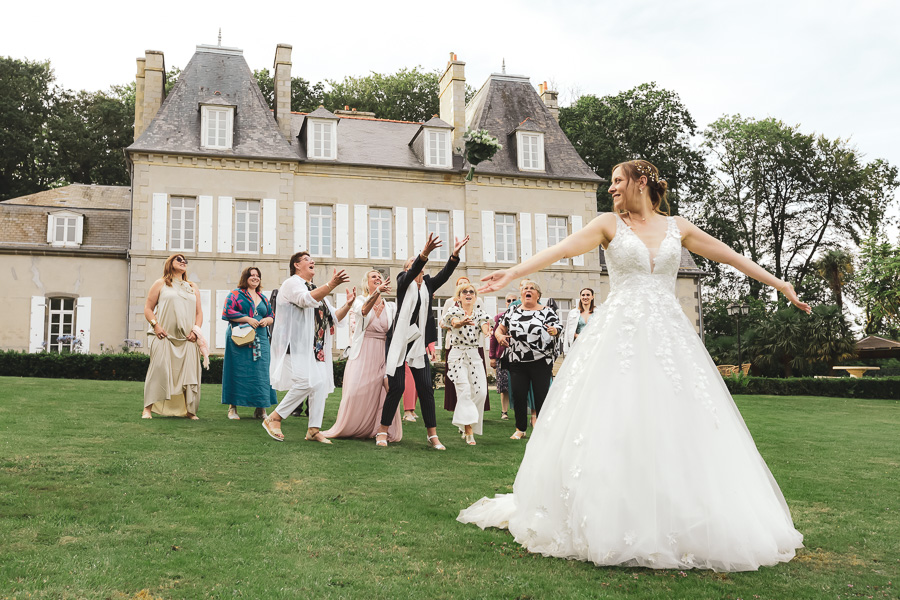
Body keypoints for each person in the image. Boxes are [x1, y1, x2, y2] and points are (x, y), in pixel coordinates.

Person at [458, 159, 808, 571]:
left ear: (641, 182)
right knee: (615, 416)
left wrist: (779, 283)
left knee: (680, 419)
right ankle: (611, 510)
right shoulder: (609, 224)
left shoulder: (679, 227)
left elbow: (732, 257)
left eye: (618, 181)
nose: (611, 189)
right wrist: (514, 272)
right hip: (618, 335)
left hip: (670, 337)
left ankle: (682, 513)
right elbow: (563, 248)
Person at [376, 233, 470, 449]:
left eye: (420, 264)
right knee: (397, 387)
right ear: (409, 268)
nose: (419, 267)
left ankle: (432, 435)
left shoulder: (427, 286)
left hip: (417, 343)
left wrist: (455, 254)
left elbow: (445, 275)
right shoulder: (403, 281)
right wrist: (424, 253)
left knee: (426, 388)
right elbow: (413, 269)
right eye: (414, 264)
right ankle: (382, 431)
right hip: (399, 341)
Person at [262, 252, 354, 443]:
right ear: (296, 265)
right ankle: (275, 417)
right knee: (306, 382)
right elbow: (305, 300)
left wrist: (348, 304)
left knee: (319, 385)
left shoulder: (315, 288)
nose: (312, 261)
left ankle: (313, 429)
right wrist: (332, 285)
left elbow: (334, 318)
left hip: (316, 348)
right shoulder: (291, 284)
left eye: (312, 259)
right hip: (295, 346)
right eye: (306, 259)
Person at [322, 270, 403, 443]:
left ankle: (381, 428)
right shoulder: (359, 300)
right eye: (373, 277)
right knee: (354, 392)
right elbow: (364, 311)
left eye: (379, 277)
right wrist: (377, 292)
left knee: (385, 391)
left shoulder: (390, 306)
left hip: (383, 353)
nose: (378, 278)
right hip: (363, 350)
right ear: (366, 283)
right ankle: (351, 426)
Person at [494, 280, 561, 439]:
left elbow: (558, 327)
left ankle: (543, 429)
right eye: (525, 289)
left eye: (532, 288)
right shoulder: (512, 312)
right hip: (517, 361)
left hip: (541, 361)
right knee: (518, 395)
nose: (528, 291)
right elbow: (499, 329)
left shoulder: (547, 311)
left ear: (538, 295)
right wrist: (500, 337)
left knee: (541, 396)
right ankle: (520, 429)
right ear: (522, 294)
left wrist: (553, 330)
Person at [142, 254, 206, 419]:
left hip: (188, 339)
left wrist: (196, 331)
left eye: (185, 260)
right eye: (179, 259)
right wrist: (155, 325)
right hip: (164, 337)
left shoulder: (193, 287)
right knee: (157, 371)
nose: (183, 262)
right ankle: (147, 409)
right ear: (170, 263)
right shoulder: (160, 283)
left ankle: (190, 411)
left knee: (189, 374)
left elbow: (199, 313)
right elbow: (148, 308)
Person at [221, 267, 277, 420]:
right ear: (245, 278)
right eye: (252, 275)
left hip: (260, 339)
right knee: (237, 370)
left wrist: (267, 320)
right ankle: (232, 408)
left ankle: (261, 409)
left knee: (262, 372)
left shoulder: (263, 297)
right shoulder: (235, 294)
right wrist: (247, 319)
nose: (255, 278)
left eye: (257, 275)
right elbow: (227, 312)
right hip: (240, 339)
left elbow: (271, 315)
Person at [442, 283, 492, 445]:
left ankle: (466, 423)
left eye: (471, 292)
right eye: (465, 292)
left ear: (475, 297)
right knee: (464, 390)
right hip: (457, 355)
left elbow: (485, 325)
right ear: (459, 297)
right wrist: (461, 322)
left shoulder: (480, 313)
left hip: (473, 354)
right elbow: (454, 322)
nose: (468, 294)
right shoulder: (454, 311)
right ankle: (468, 429)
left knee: (481, 392)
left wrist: (487, 332)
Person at [489, 293, 518, 420]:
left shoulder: (523, 316)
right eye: (508, 300)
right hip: (503, 355)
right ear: (505, 303)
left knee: (518, 384)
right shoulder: (500, 317)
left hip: (519, 356)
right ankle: (504, 411)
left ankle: (519, 410)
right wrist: (492, 356)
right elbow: (493, 337)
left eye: (514, 300)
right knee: (504, 385)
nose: (511, 302)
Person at [564, 288, 596, 353]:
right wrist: (577, 336)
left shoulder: (598, 312)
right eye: (583, 295)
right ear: (580, 297)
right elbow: (569, 331)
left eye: (588, 295)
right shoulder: (573, 313)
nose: (585, 297)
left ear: (592, 297)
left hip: (593, 344)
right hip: (578, 345)